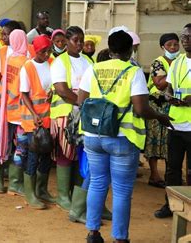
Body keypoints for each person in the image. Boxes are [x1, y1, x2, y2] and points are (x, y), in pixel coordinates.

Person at [77, 30, 173, 243]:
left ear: (110, 49)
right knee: (121, 190)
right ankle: (119, 238)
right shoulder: (133, 71)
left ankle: (92, 233)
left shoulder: (94, 68)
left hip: (93, 135)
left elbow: (80, 101)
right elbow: (140, 109)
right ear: (130, 50)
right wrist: (159, 116)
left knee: (97, 183)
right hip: (122, 138)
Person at [50, 26, 92, 211]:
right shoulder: (60, 62)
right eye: (76, 40)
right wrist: (81, 102)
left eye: (82, 40)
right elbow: (61, 89)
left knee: (79, 154)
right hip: (65, 113)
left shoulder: (88, 61)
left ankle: (76, 195)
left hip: (83, 113)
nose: (80, 44)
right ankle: (63, 195)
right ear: (66, 41)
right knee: (65, 153)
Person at [155, 25, 191, 218]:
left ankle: (189, 209)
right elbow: (169, 87)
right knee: (172, 168)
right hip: (176, 123)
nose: (184, 40)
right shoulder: (177, 62)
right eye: (183, 36)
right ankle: (171, 205)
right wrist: (169, 97)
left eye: (188, 36)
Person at [18, 35, 54, 209]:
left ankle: (42, 189)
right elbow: (24, 93)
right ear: (35, 50)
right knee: (33, 155)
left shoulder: (52, 63)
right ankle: (30, 192)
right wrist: (33, 114)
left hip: (49, 117)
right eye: (43, 51)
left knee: (47, 154)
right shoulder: (28, 67)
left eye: (48, 51)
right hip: (34, 120)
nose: (46, 54)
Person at [0, 29, 29, 195]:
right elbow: (25, 89)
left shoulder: (9, 60)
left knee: (3, 145)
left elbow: (2, 85)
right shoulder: (25, 62)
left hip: (7, 111)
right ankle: (15, 183)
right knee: (20, 148)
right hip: (21, 112)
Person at [0, 20, 22, 192]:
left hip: (22, 108)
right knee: (4, 141)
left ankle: (16, 179)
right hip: (5, 106)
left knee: (21, 144)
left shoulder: (27, 52)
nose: (2, 37)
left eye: (6, 34)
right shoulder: (1, 52)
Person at [145, 33, 180, 188]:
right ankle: (154, 174)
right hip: (156, 106)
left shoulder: (181, 61)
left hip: (172, 106)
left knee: (169, 142)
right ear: (162, 47)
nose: (173, 48)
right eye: (169, 45)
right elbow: (159, 84)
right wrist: (174, 70)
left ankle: (169, 174)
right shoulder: (158, 63)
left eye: (175, 44)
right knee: (154, 140)